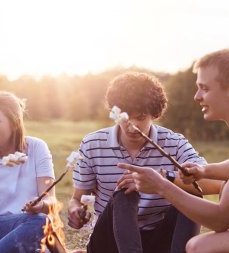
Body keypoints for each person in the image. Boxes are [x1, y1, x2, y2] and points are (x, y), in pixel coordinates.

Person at [117, 48, 229, 253]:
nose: (197, 96)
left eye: (204, 88)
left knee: (199, 246)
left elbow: (220, 220)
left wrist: (161, 185)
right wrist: (205, 171)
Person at [68, 72, 220, 253]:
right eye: (126, 117)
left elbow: (212, 184)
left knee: (192, 194)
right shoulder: (93, 144)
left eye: (140, 117)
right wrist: (76, 211)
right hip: (109, 241)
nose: (132, 125)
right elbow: (78, 198)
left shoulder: (173, 143)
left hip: (158, 239)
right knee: (125, 190)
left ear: (154, 114)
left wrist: (161, 180)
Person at [0, 91, 56, 253]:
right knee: (40, 223)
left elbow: (51, 202)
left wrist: (41, 204)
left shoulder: (37, 148)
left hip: (31, 231)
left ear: (15, 123)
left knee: (40, 222)